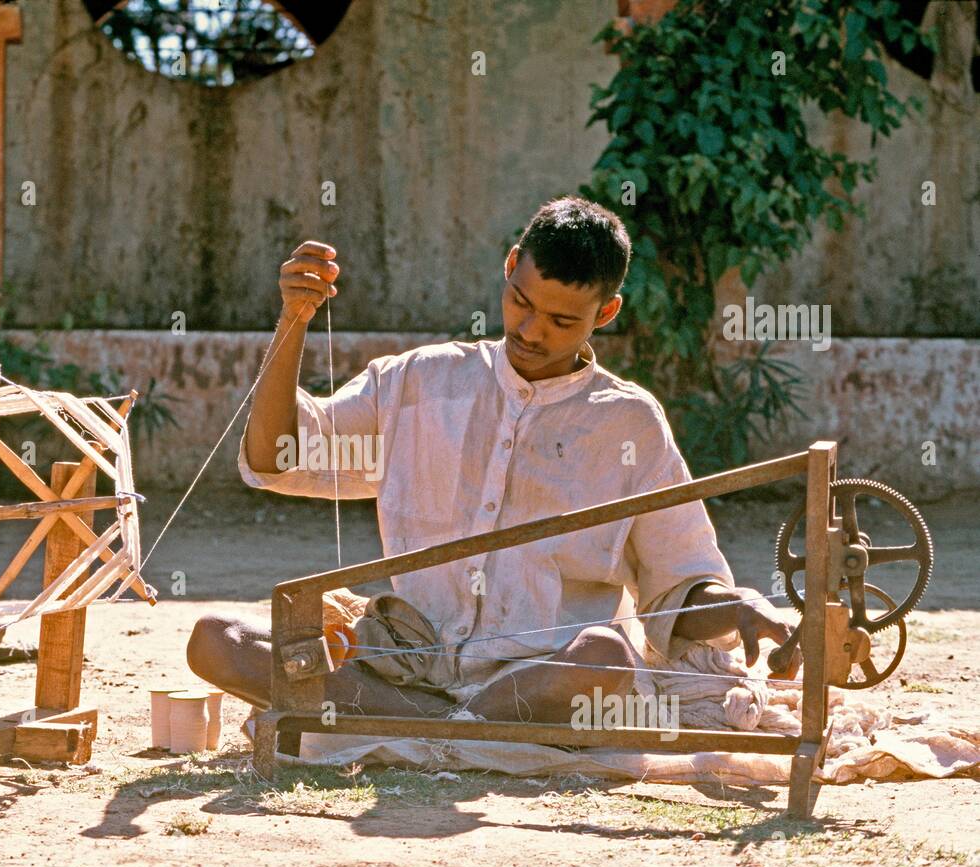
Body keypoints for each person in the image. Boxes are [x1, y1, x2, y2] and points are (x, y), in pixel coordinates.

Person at [187, 195, 795, 723]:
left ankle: (424, 723)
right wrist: (293, 322)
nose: (532, 331)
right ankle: (450, 723)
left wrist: (742, 607)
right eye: (520, 302)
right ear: (509, 267)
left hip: (539, 680)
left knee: (604, 662)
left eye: (562, 321)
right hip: (402, 662)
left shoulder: (628, 423)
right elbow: (276, 457)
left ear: (605, 313)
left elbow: (677, 586)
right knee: (217, 641)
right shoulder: (418, 382)